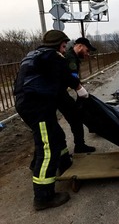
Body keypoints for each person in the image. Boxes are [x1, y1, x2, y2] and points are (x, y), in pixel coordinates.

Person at [14, 30, 89, 210]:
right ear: (58, 44)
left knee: (56, 134)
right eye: (63, 46)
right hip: (36, 107)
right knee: (48, 148)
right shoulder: (51, 56)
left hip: (31, 103)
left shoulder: (34, 55)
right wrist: (79, 88)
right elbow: (65, 74)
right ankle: (43, 197)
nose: (64, 50)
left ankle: (64, 164)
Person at [58, 37, 97, 153]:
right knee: (75, 117)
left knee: (72, 118)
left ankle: (80, 145)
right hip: (57, 93)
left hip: (57, 92)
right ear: (80, 46)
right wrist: (80, 90)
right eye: (87, 50)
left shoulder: (71, 56)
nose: (88, 54)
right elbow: (71, 78)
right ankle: (79, 146)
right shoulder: (70, 58)